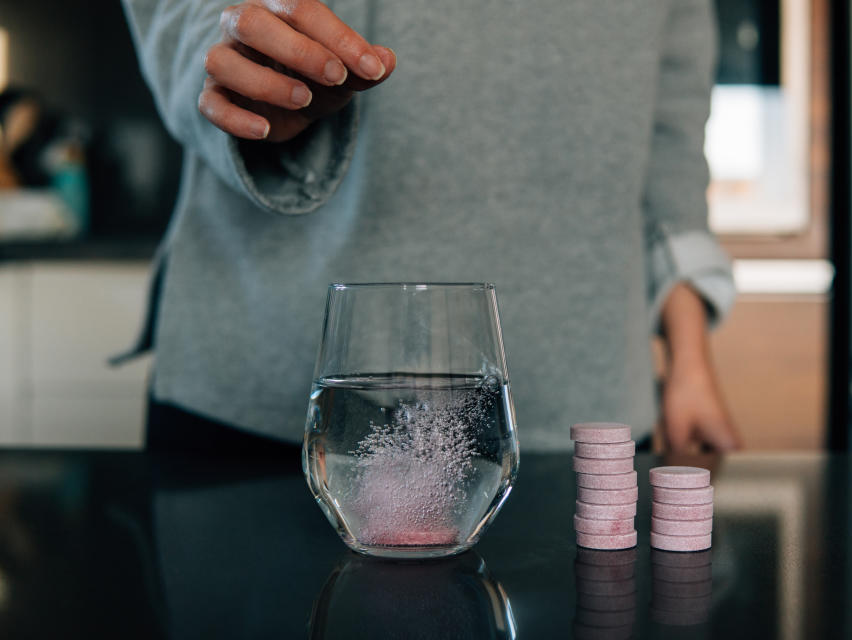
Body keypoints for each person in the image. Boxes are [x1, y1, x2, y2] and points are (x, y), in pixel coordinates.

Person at [120, 0, 742, 453]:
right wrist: (238, 64)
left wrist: (690, 361)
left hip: (582, 413)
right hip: (265, 396)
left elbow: (668, 156)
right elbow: (187, 18)